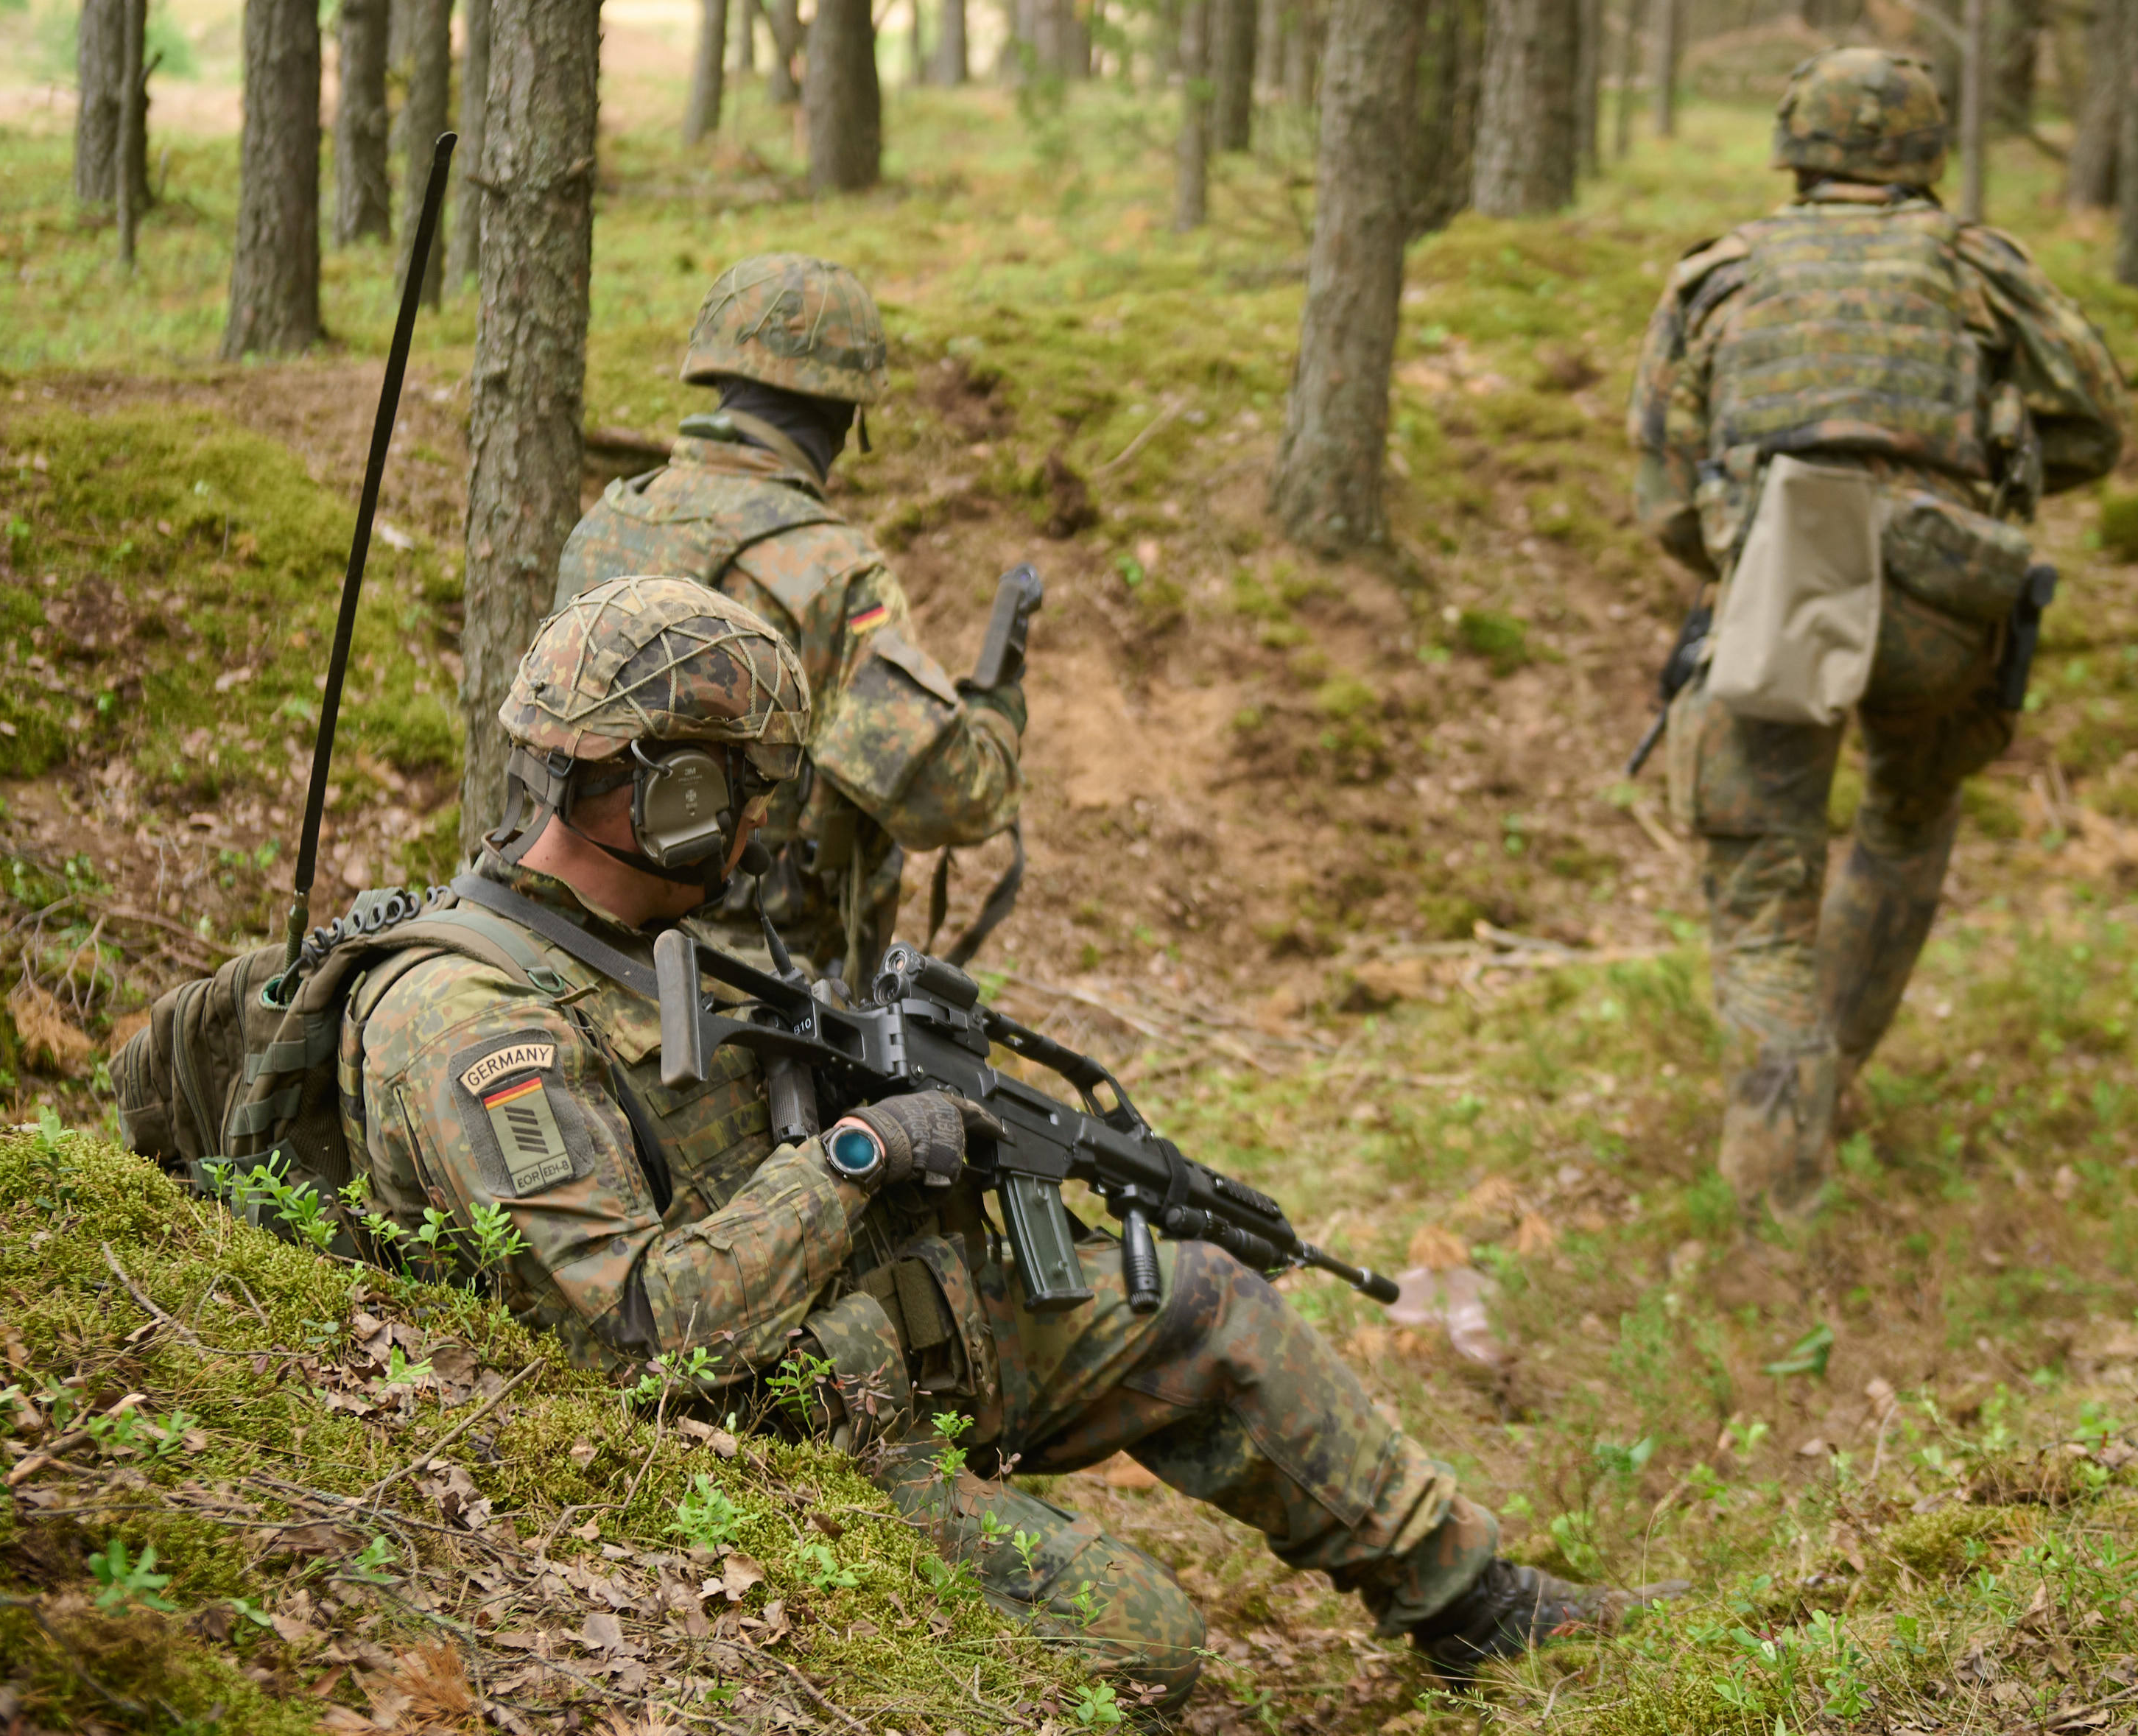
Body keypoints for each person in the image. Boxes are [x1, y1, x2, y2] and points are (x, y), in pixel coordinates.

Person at [340, 575, 1674, 1712]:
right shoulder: (472, 1021)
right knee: (1140, 1644)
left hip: (855, 1355)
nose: (758, 829)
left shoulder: (646, 949)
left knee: (1198, 1298)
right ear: (676, 793)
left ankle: (1474, 1606)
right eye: (744, 793)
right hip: (760, 1448)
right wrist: (860, 1156)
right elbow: (634, 1334)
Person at [1626, 47, 2126, 1229]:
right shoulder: (1974, 264)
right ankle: (1829, 1077)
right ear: (1924, 153)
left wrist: (1746, 562)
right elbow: (2095, 427)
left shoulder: (1720, 274)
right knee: (1906, 819)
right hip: (1947, 603)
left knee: (1759, 886)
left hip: (1785, 589)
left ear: (1794, 145)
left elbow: (1659, 492)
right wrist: (1983, 474)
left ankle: (1773, 1191)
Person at [555, 254, 1022, 984]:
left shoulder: (606, 523)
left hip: (570, 937)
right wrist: (997, 715)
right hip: (750, 987)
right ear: (844, 415)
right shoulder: (831, 572)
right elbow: (951, 800)